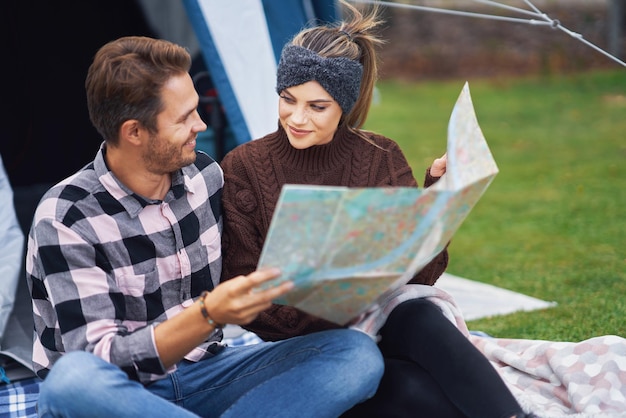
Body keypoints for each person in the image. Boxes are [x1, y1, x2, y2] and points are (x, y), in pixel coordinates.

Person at [25, 35, 384, 418]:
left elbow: (274, 245)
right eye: (184, 118)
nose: (202, 124)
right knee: (73, 380)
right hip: (118, 395)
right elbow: (103, 360)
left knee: (355, 353)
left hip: (209, 375)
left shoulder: (206, 176)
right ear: (134, 132)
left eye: (196, 109)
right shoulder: (66, 217)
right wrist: (209, 314)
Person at [220, 2, 535, 418]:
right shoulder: (243, 167)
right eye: (288, 99)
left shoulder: (380, 156)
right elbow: (246, 296)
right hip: (304, 342)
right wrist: (327, 304)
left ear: (344, 105)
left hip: (383, 320)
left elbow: (420, 274)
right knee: (414, 391)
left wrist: (436, 199)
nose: (297, 118)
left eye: (318, 107)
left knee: (420, 313)